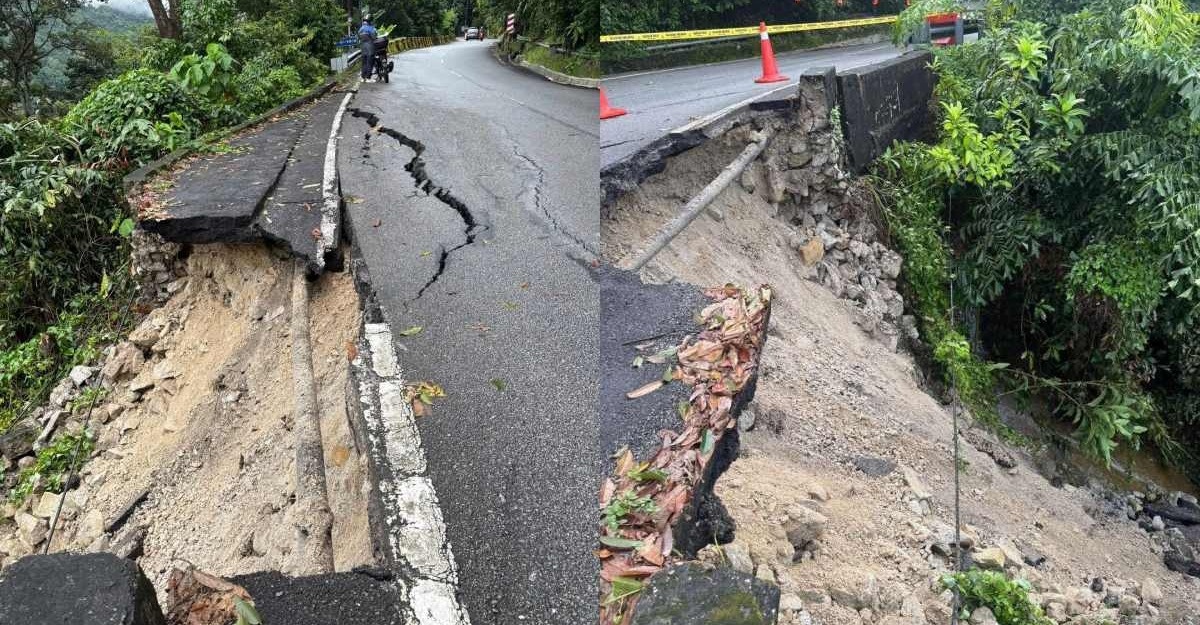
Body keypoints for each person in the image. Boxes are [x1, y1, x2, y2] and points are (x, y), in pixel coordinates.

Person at [358, 17, 378, 82]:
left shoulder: (361, 29)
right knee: (370, 62)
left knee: (364, 63)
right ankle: (368, 77)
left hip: (363, 48)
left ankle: (363, 77)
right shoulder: (371, 28)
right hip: (370, 47)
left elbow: (358, 36)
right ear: (370, 22)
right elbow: (374, 37)